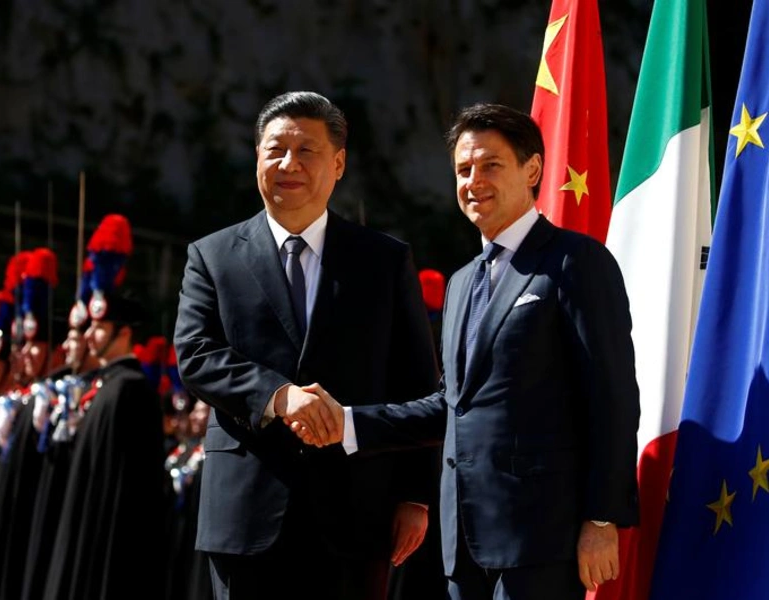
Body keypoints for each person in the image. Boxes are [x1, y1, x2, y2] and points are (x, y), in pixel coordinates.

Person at [291, 103, 640, 600]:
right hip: (464, 543)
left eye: (490, 165)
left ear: (533, 169)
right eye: (463, 170)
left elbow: (612, 398)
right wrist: (346, 423)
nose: (474, 181)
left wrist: (601, 518)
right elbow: (451, 406)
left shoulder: (577, 263)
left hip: (543, 537)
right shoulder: (461, 283)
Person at [173, 90, 440, 600]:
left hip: (357, 510)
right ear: (257, 158)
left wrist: (414, 496)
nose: (288, 164)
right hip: (247, 511)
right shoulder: (212, 256)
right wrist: (278, 396)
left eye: (307, 151)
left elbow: (415, 382)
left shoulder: (383, 261)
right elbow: (197, 353)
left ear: (338, 164)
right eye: (275, 150)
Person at [43, 219, 165, 600]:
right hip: (83, 515)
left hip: (111, 527)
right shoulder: (102, 386)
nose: (90, 335)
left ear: (124, 332)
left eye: (100, 327)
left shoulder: (132, 389)